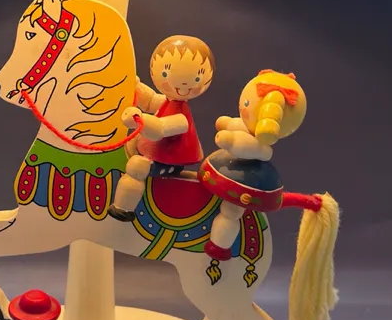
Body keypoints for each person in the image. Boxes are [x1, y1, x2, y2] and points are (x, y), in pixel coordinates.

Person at [200, 70, 306, 260]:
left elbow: (244, 145)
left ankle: (219, 246)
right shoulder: (248, 127)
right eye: (246, 103)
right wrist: (228, 124)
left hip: (247, 179)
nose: (246, 109)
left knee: (231, 211)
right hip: (228, 167)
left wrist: (230, 140)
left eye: (249, 104)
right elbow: (238, 125)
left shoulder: (263, 148)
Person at [108, 36, 214, 222]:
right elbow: (150, 100)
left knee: (137, 166)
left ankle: (123, 208)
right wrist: (135, 85)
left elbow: (160, 129)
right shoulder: (168, 102)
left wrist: (139, 119)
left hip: (166, 163)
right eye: (165, 74)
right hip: (148, 149)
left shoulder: (182, 117)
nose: (182, 86)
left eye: (197, 78)